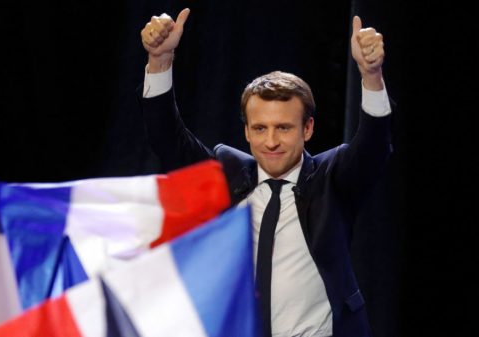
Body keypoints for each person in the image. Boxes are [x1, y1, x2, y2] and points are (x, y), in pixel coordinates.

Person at [139, 8, 392, 337]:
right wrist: (160, 60)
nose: (271, 141)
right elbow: (167, 139)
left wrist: (371, 75)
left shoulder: (332, 179)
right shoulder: (227, 174)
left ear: (308, 128)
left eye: (284, 128)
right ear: (246, 132)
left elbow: (373, 147)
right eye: (260, 128)